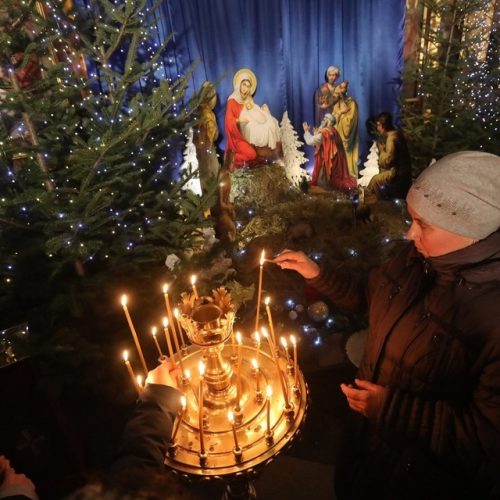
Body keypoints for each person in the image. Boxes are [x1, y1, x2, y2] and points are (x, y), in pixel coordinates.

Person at [273, 151, 500, 500]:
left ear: (469, 230)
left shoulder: (490, 316)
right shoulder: (417, 259)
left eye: (424, 224)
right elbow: (371, 296)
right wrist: (317, 274)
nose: (409, 233)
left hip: (420, 480)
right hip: (368, 449)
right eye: (411, 218)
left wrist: (391, 409)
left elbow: (485, 439)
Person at [224, 69, 281, 168]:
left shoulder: (247, 99)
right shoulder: (232, 101)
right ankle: (231, 158)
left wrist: (261, 112)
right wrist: (240, 120)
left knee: (267, 124)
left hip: (246, 134)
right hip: (237, 138)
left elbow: (252, 110)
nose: (245, 89)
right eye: (244, 85)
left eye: (248, 86)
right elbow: (228, 122)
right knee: (252, 155)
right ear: (239, 84)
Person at [303, 114, 357, 192]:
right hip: (336, 160)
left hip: (328, 161)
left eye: (325, 118)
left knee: (324, 182)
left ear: (329, 121)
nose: (323, 120)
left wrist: (306, 132)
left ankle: (327, 187)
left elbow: (310, 141)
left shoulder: (325, 133)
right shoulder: (333, 131)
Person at [365, 111, 412, 201]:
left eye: (379, 125)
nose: (378, 128)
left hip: (398, 173)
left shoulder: (391, 139)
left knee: (375, 180)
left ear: (384, 125)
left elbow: (388, 161)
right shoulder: (397, 134)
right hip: (401, 171)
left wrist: (382, 151)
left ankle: (374, 200)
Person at [193, 81, 220, 194]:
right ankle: (213, 199)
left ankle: (208, 199)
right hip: (208, 147)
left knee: (204, 173)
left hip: (201, 148)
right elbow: (214, 134)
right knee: (212, 173)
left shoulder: (198, 112)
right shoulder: (208, 114)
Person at [333, 81, 359, 179]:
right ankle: (338, 173)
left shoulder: (352, 104)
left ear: (346, 90)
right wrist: (340, 112)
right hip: (337, 135)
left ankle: (348, 173)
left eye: (343, 88)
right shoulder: (336, 106)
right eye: (339, 88)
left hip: (347, 136)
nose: (340, 91)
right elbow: (332, 120)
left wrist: (341, 116)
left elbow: (351, 120)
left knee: (346, 152)